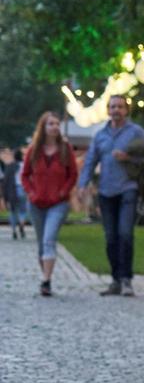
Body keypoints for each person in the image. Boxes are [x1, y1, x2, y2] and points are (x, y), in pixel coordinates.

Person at [78, 95, 144, 296]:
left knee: (125, 234)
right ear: (108, 110)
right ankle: (116, 279)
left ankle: (127, 279)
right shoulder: (100, 135)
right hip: (106, 191)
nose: (116, 110)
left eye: (119, 106)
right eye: (112, 107)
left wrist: (129, 157)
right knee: (111, 238)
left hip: (128, 189)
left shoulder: (136, 132)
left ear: (126, 110)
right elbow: (90, 161)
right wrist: (82, 184)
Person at [20, 112, 78, 296]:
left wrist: (63, 191)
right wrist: (31, 191)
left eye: (56, 124)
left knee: (49, 239)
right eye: (50, 124)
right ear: (43, 127)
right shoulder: (34, 150)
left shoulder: (65, 149)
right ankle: (46, 276)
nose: (54, 127)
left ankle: (45, 281)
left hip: (58, 203)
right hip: (36, 203)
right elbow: (24, 175)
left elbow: (73, 174)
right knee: (41, 244)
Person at [1, 147, 25, 239]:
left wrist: (4, 195)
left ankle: (14, 230)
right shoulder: (25, 165)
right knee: (23, 211)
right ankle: (22, 224)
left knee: (12, 211)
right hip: (24, 190)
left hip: (13, 191)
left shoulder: (10, 166)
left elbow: (5, 181)